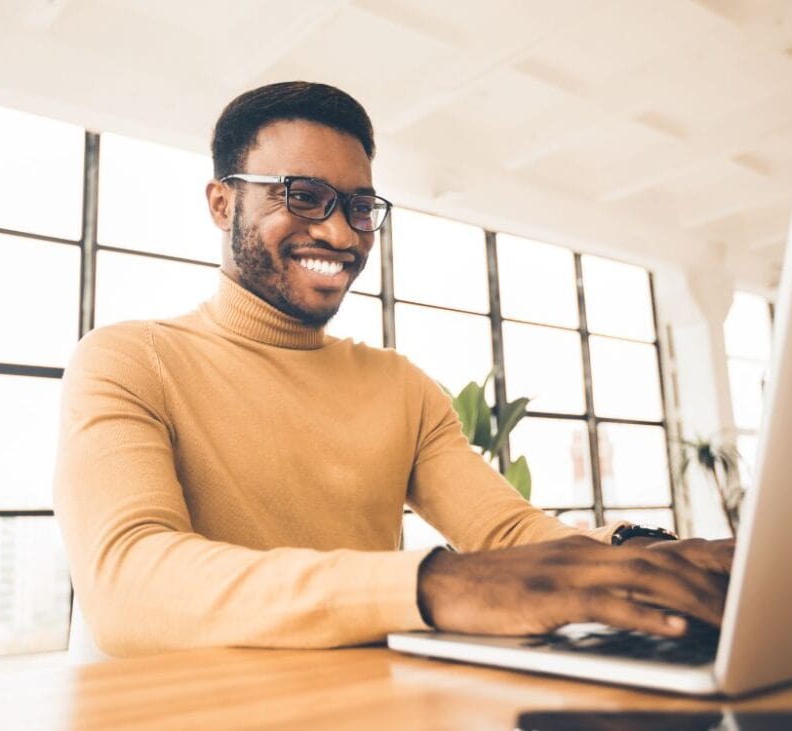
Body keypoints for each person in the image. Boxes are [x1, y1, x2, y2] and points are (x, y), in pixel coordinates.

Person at [53, 81, 733, 657]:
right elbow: (127, 578)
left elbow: (508, 533)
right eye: (301, 194)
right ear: (222, 203)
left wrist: (646, 553)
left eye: (359, 206)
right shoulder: (128, 360)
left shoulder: (399, 387)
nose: (343, 233)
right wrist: (433, 585)